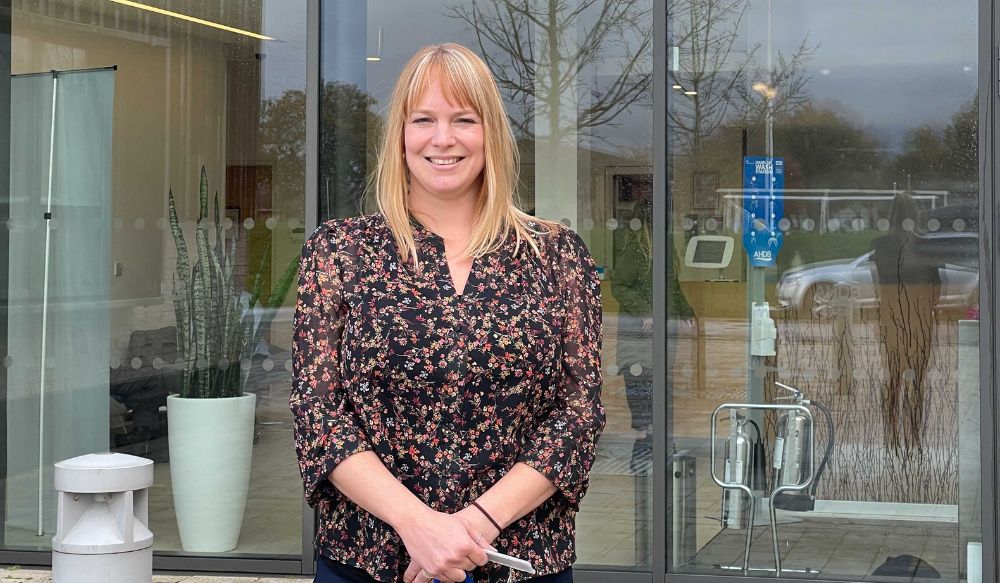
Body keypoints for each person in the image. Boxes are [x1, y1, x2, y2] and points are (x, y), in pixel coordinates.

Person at [291, 43, 605, 583]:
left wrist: (476, 524)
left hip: (519, 561)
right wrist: (419, 526)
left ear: (492, 135)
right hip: (368, 561)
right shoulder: (340, 252)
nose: (443, 138)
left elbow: (578, 416)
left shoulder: (556, 254)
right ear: (401, 135)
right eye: (424, 120)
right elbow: (318, 414)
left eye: (464, 119)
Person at [871, 192, 940, 452]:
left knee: (893, 378)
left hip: (891, 317)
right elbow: (937, 287)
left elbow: (881, 284)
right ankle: (914, 436)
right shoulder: (925, 246)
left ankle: (891, 436)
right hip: (919, 319)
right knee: (917, 381)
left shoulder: (879, 244)